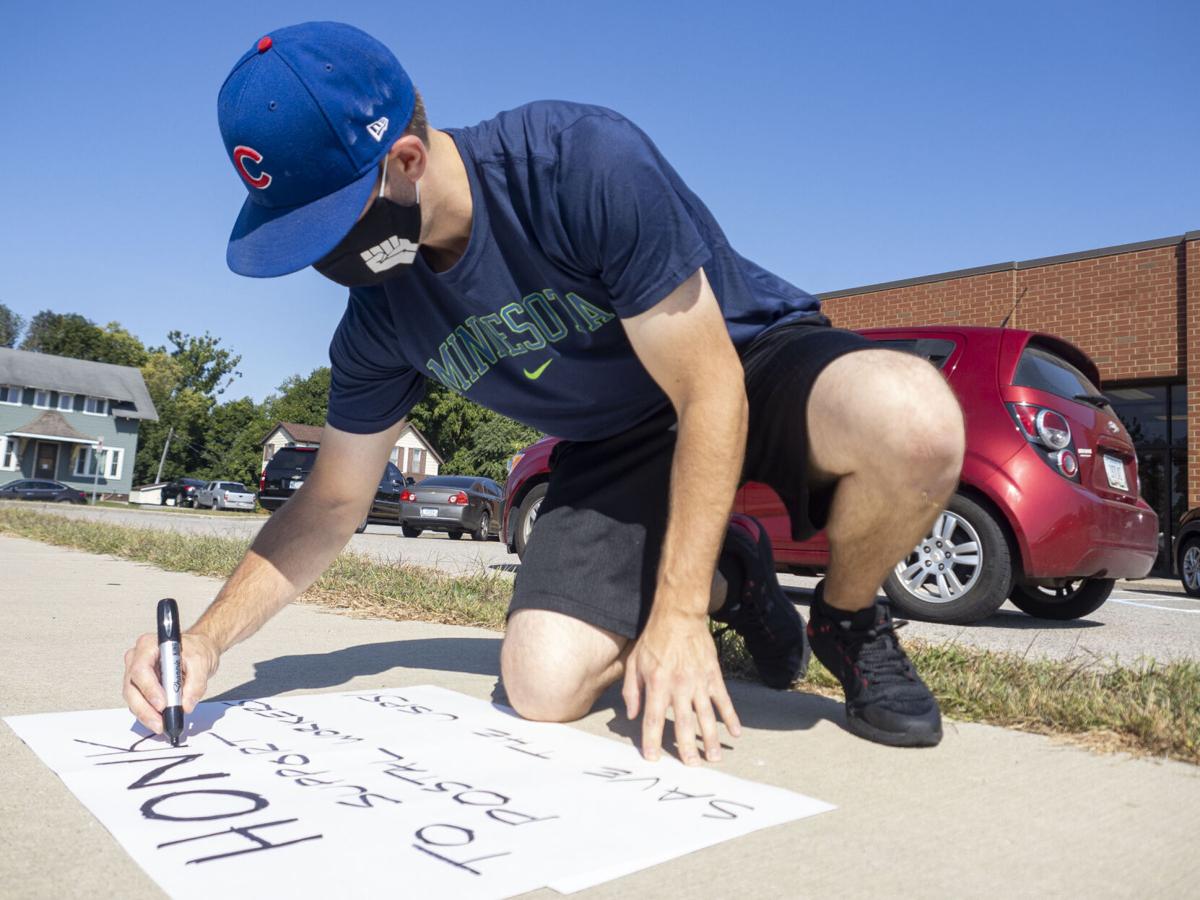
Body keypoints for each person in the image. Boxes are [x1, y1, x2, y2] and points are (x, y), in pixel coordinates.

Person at [122, 21, 964, 764]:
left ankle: (847, 622)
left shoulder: (578, 162)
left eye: (330, 227)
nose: (323, 260)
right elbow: (332, 503)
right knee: (541, 683)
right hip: (619, 439)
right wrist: (206, 639)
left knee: (912, 418)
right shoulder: (381, 318)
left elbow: (708, 391)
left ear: (406, 161)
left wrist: (673, 620)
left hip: (741, 363)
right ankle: (732, 575)